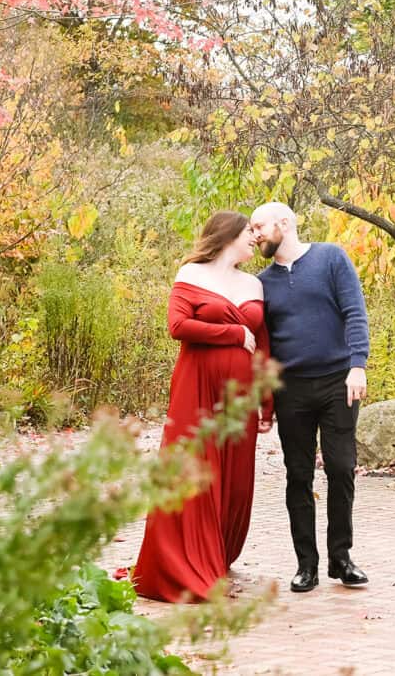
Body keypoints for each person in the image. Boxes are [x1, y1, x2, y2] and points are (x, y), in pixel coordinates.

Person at [131, 211, 274, 603]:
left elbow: (262, 346)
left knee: (234, 475)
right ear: (228, 235)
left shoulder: (254, 285)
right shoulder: (190, 275)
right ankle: (186, 561)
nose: (254, 239)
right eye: (249, 233)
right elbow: (178, 327)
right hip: (197, 389)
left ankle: (216, 555)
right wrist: (233, 332)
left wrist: (266, 401)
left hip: (240, 396)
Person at [250, 201, 370, 593]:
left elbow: (354, 312)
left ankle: (341, 557)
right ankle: (307, 565)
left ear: (284, 223)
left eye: (259, 227)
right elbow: (262, 344)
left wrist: (358, 364)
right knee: (298, 475)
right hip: (292, 389)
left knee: (340, 467)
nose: (255, 235)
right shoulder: (262, 283)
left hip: (338, 382)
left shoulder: (331, 258)